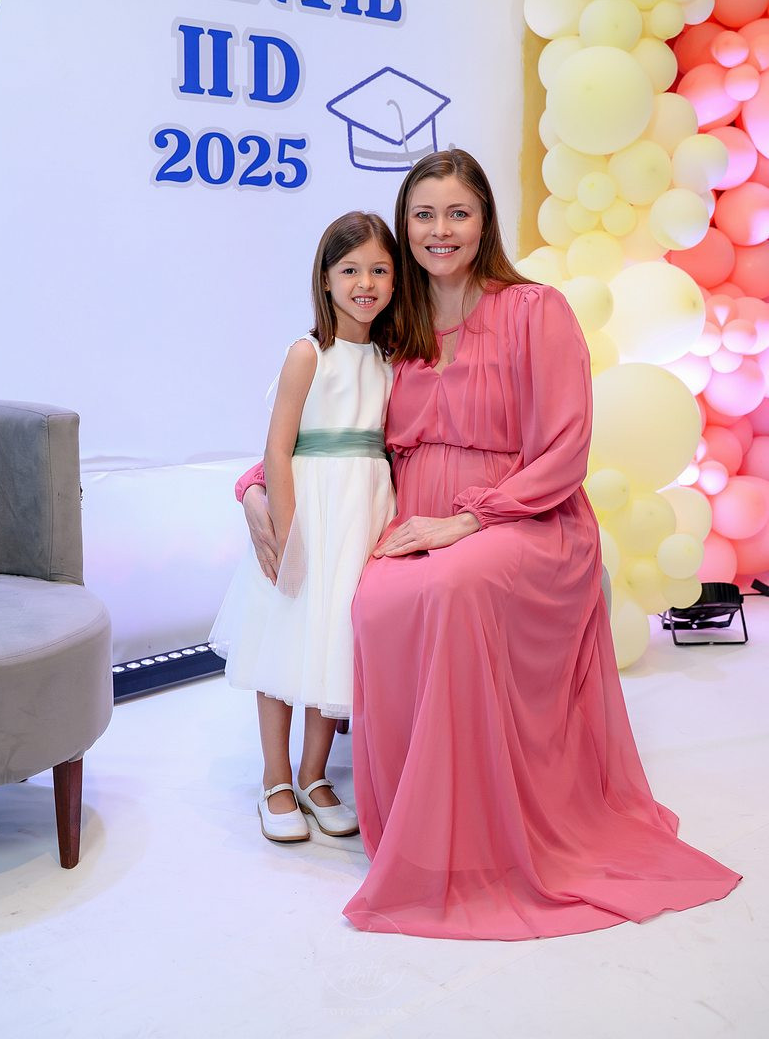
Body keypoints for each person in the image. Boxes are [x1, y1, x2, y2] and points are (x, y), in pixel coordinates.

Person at [237, 150, 740, 939]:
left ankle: (467, 831)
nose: (439, 230)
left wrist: (471, 518)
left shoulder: (535, 310)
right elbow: (323, 429)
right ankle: (408, 810)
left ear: (484, 221)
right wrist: (252, 488)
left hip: (525, 517)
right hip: (411, 516)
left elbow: (565, 451)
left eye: (457, 213)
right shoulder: (393, 326)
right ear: (404, 226)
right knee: (375, 598)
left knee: (447, 588)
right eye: (423, 215)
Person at [212, 211, 397, 844]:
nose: (365, 283)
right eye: (350, 270)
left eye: (379, 270)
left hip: (363, 513)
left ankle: (315, 775)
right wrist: (290, 535)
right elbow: (277, 448)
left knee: (332, 645)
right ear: (325, 278)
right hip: (309, 513)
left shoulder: (390, 359)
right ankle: (275, 779)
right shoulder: (307, 353)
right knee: (284, 641)